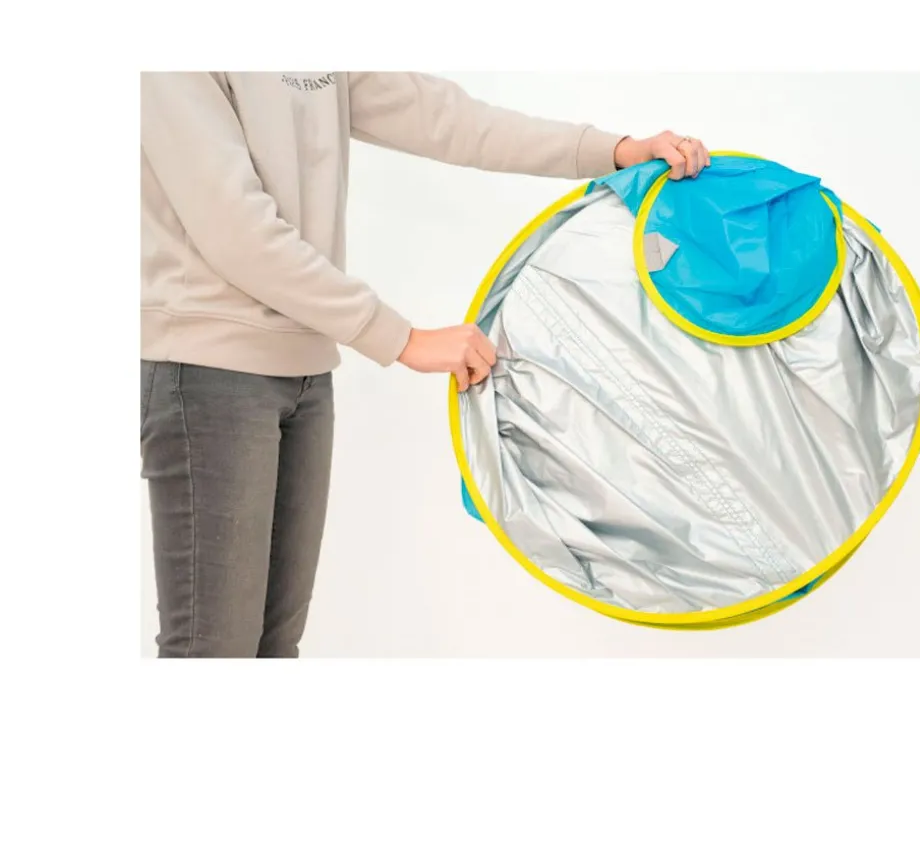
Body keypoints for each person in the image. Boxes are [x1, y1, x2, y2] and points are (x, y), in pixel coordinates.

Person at [140, 71, 710, 658]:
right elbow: (234, 227)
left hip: (304, 366)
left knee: (274, 647)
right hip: (207, 370)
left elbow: (444, 117)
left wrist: (614, 151)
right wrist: (401, 338)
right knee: (213, 650)